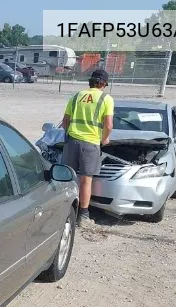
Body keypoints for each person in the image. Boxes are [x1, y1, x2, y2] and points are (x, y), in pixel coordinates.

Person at [60, 68, 114, 226]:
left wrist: (71, 134)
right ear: (104, 84)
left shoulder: (76, 96)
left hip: (72, 141)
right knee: (86, 181)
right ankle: (83, 216)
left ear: (90, 81)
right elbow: (109, 125)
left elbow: (65, 121)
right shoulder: (106, 98)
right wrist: (104, 139)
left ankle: (63, 212)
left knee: (67, 178)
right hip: (90, 143)